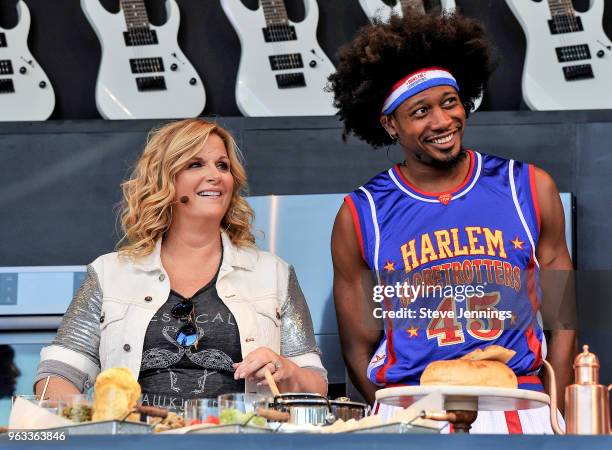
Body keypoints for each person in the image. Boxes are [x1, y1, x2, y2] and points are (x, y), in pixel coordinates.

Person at [328, 11, 576, 433]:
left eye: (449, 102)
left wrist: (552, 408)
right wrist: (399, 418)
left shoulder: (529, 188)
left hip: (518, 401)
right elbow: (357, 345)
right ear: (391, 124)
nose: (442, 122)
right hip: (413, 406)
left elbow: (563, 320)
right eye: (420, 111)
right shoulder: (362, 212)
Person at [34, 119, 327, 411]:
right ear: (165, 180)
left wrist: (286, 370)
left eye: (222, 166)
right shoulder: (109, 273)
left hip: (242, 439)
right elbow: (58, 372)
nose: (215, 175)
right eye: (196, 164)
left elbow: (315, 384)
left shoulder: (273, 273)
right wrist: (82, 420)